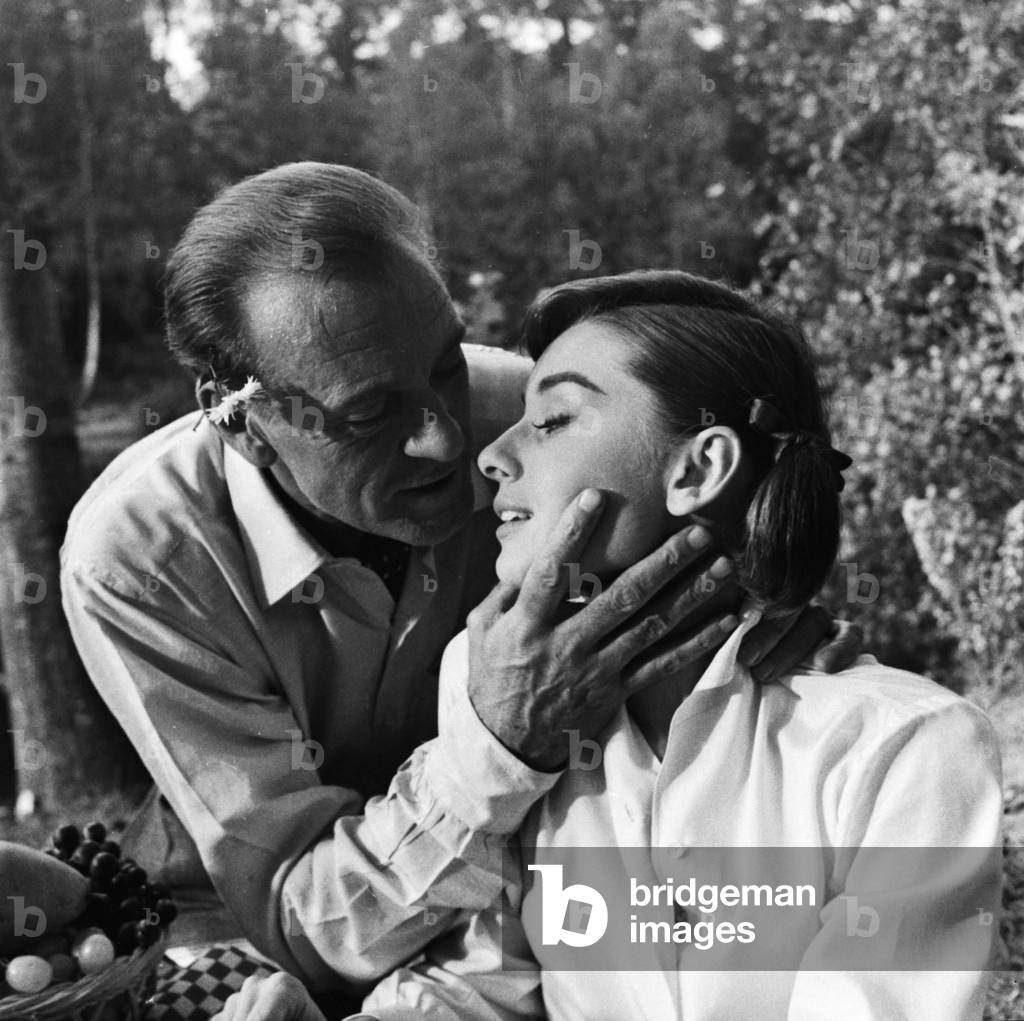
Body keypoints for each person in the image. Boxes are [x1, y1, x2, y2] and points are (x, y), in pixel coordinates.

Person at [60, 165, 860, 1000]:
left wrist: (784, 618)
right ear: (244, 423)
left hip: (525, 900)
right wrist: (498, 745)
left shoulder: (531, 420)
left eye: (447, 366)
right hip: (253, 933)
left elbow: (737, 505)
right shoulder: (136, 561)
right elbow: (308, 923)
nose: (452, 444)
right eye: (370, 415)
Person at [214, 270, 1002, 1021]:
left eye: (553, 420)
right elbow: (488, 987)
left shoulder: (903, 751)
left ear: (699, 467)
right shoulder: (509, 713)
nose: (489, 456)